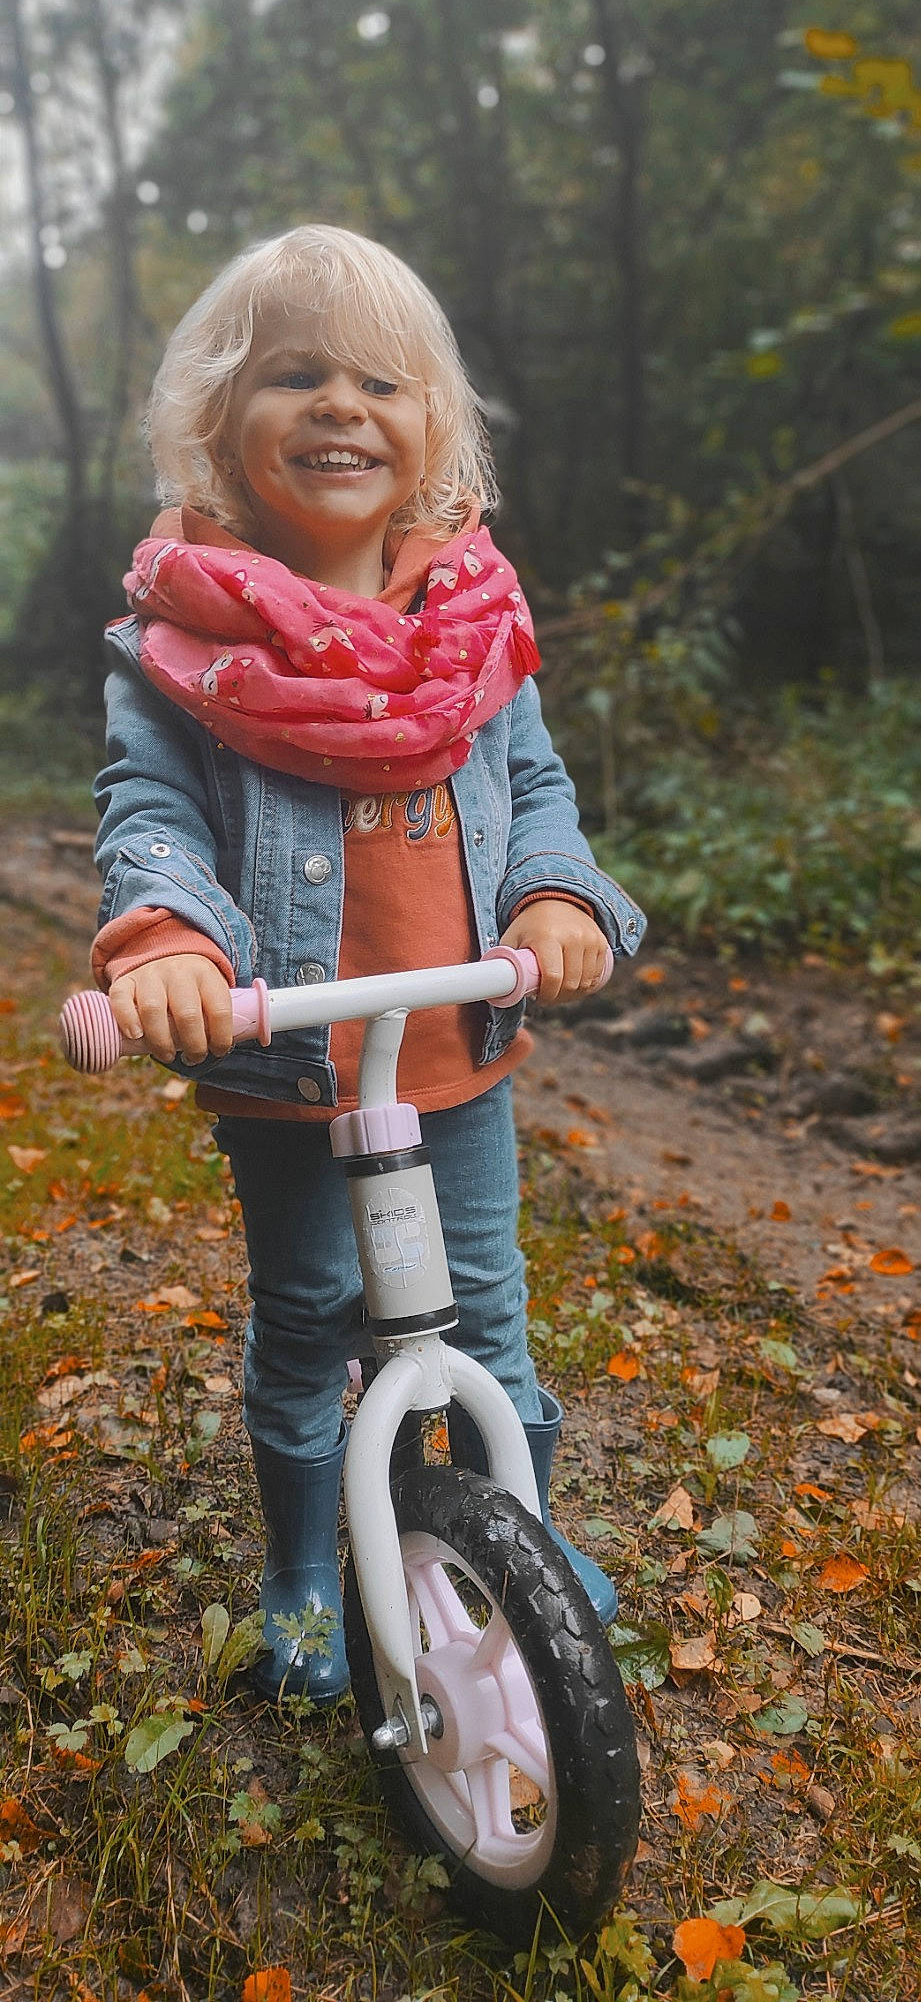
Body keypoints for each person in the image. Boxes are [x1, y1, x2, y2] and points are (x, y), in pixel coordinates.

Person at [91, 224, 646, 1705]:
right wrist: (167, 941)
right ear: (217, 427)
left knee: (485, 1306)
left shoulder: (470, 627)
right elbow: (148, 817)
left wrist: (552, 900)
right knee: (311, 1327)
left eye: (379, 383)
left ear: (430, 434)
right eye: (295, 377)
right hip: (290, 1061)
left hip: (453, 1053)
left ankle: (516, 1525)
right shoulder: (179, 647)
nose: (342, 406)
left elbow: (533, 789)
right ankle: (299, 1569)